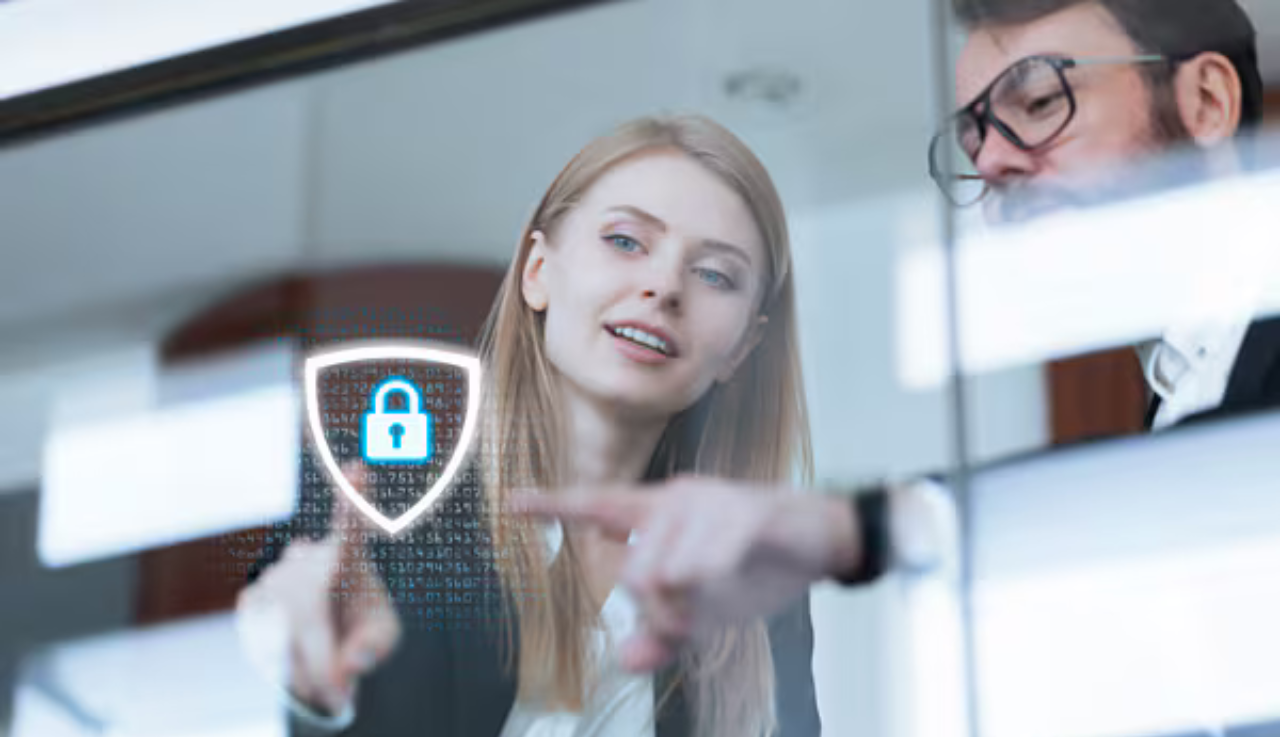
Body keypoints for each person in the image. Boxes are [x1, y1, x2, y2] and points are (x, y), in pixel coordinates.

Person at [516, 0, 1276, 675]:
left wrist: (851, 526)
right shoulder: (1186, 383)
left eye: (1041, 101)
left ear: (1206, 100)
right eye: (975, 136)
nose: (995, 159)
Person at [236, 114, 822, 737]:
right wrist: (313, 690)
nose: (663, 286)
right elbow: (275, 638)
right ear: (537, 272)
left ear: (741, 348)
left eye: (714, 275)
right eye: (626, 241)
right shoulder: (382, 499)